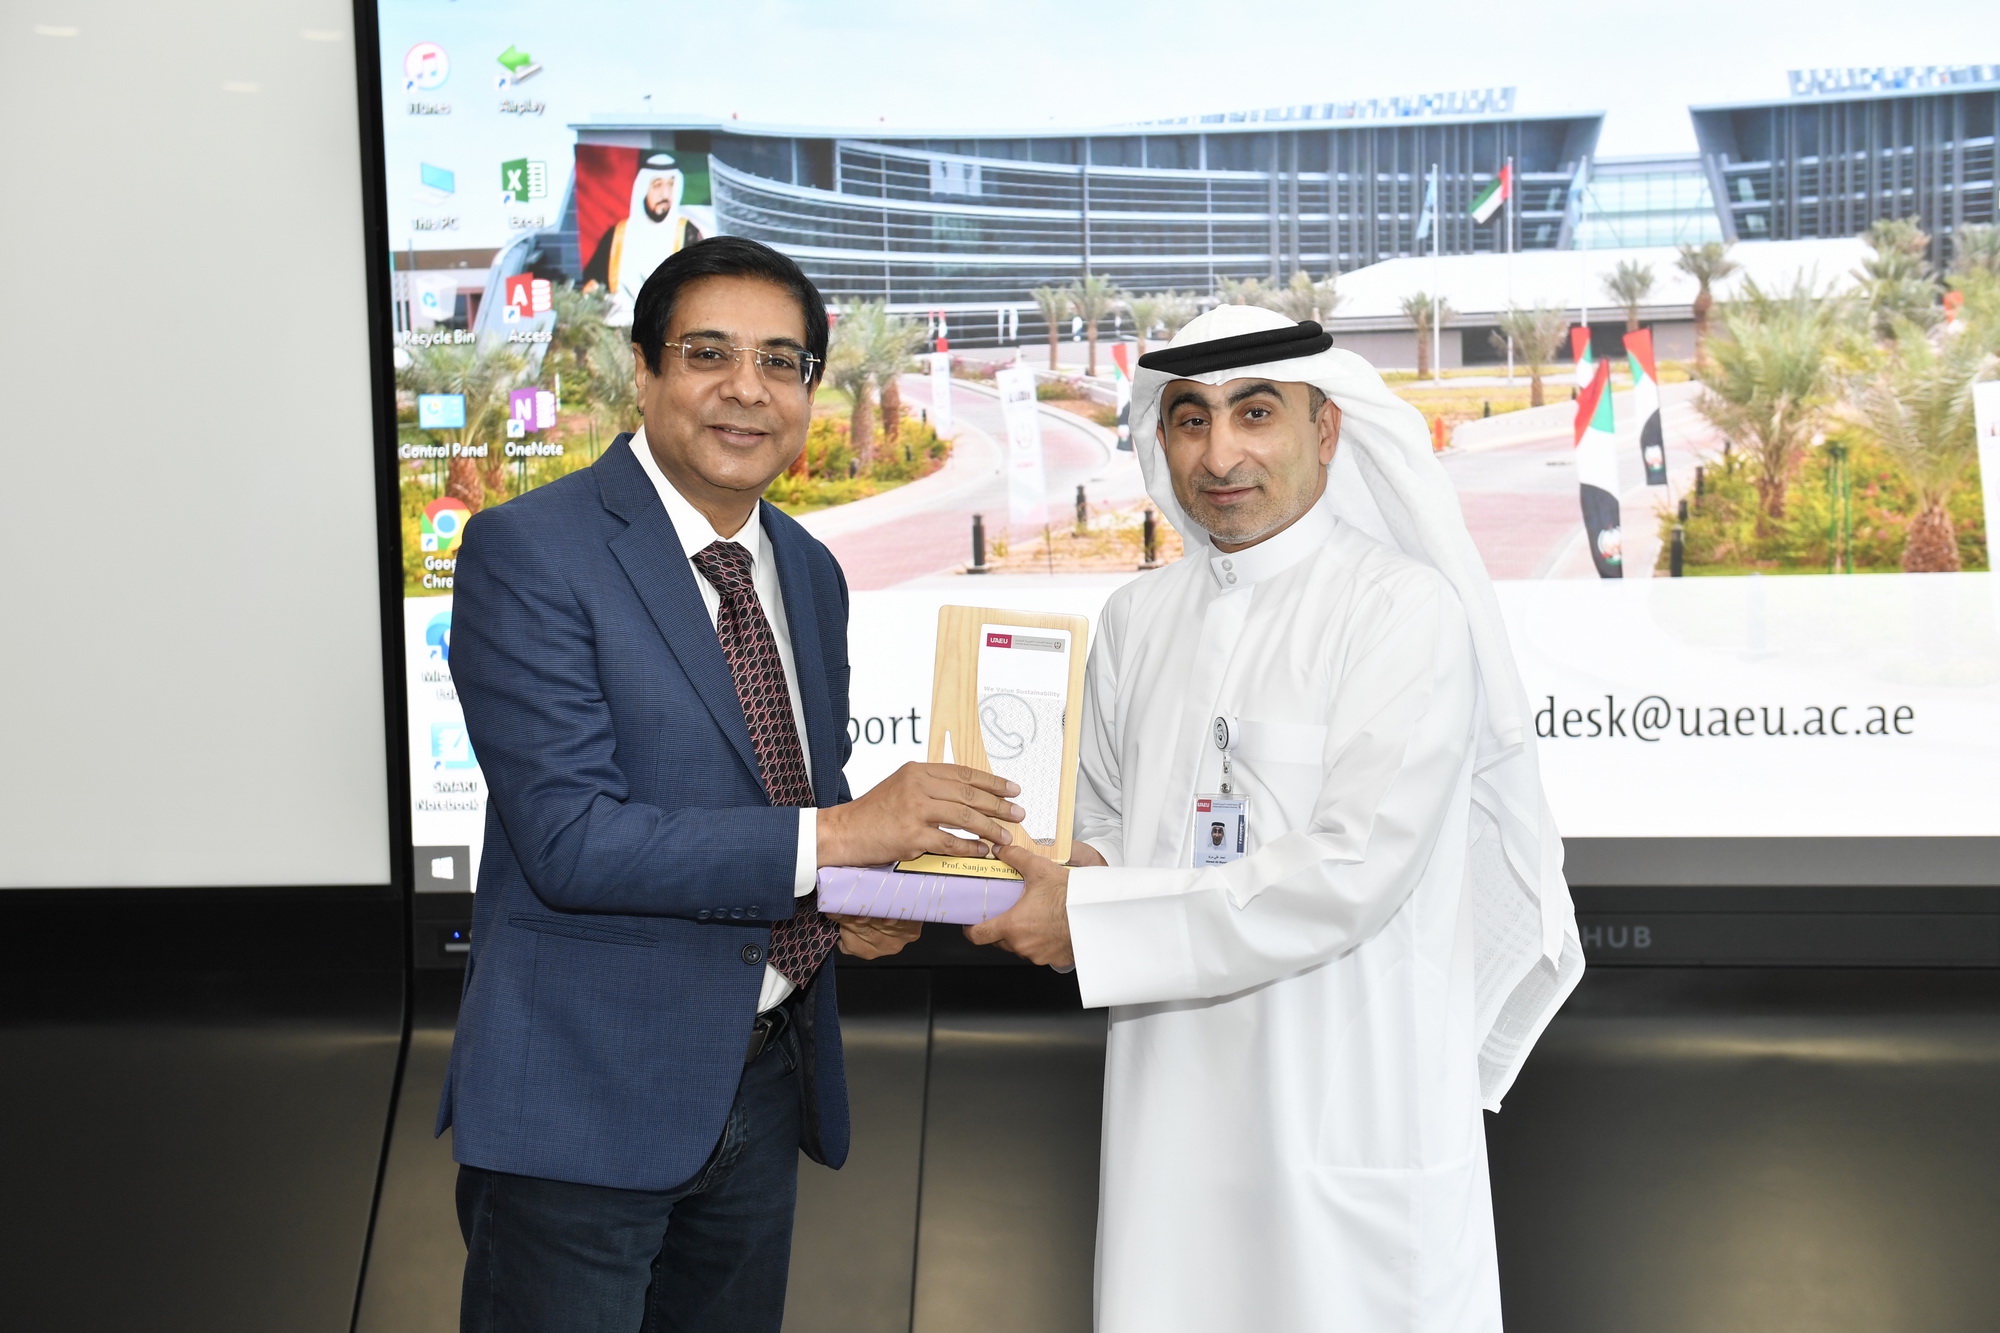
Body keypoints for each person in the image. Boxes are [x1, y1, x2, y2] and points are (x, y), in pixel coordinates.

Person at [442, 236, 1024, 1333]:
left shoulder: (806, 567)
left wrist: (857, 900)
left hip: (760, 1080)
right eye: (707, 353)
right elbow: (572, 840)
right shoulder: (530, 551)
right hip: (581, 1103)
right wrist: (840, 842)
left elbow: (800, 793)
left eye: (782, 361)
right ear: (643, 370)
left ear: (810, 385)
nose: (745, 390)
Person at [969, 305, 1585, 1331]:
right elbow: (1117, 825)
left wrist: (1088, 918)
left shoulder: (1402, 609)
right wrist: (1037, 868)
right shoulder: (1134, 619)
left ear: (1326, 431)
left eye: (1254, 413)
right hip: (1168, 1110)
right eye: (1188, 419)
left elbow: (1347, 871)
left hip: (1344, 1100)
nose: (1220, 453)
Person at [582, 151, 708, 324]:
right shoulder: (618, 234)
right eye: (657, 185)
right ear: (643, 189)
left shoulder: (687, 233)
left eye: (671, 185)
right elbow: (593, 282)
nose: (665, 194)